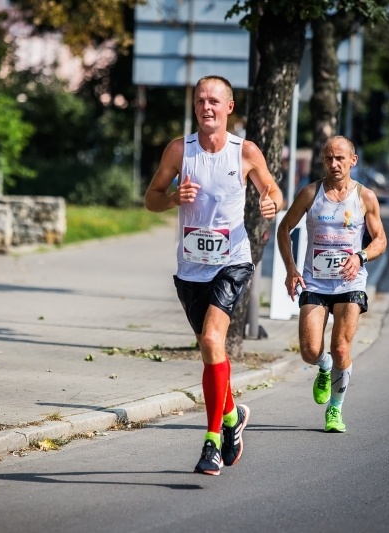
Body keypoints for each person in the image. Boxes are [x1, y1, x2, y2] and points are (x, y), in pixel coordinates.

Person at [144, 75, 283, 475]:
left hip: (232, 259)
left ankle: (211, 443)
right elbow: (150, 199)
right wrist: (172, 198)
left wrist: (270, 202)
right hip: (190, 268)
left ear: (229, 108)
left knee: (210, 338)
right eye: (200, 100)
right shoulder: (179, 150)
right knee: (211, 351)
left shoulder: (246, 152)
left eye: (214, 101)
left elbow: (273, 191)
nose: (206, 107)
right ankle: (231, 415)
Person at [276, 135, 387, 433]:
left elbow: (381, 241)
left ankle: (335, 409)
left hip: (350, 283)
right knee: (310, 351)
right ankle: (323, 367)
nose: (334, 164)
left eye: (340, 158)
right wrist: (290, 268)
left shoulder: (365, 197)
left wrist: (360, 257)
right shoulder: (311, 194)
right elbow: (284, 229)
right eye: (329, 158)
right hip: (315, 281)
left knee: (341, 348)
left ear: (353, 160)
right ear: (323, 161)